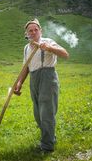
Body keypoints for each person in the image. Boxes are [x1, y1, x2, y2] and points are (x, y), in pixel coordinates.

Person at [14, 18, 69, 152]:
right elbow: (26, 67)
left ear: (40, 31)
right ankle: (50, 138)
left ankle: (47, 146)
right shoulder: (27, 48)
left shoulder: (48, 41)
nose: (33, 32)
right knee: (38, 113)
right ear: (26, 34)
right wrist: (20, 83)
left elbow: (65, 54)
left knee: (47, 113)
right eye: (30, 31)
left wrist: (49, 48)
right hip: (34, 79)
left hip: (47, 78)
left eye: (35, 30)